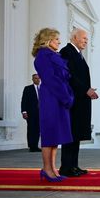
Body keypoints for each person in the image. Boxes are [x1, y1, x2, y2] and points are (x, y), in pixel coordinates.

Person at [32, 28, 74, 182]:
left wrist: (67, 95)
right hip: (51, 97)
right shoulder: (43, 56)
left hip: (58, 96)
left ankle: (53, 169)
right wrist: (66, 97)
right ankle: (46, 169)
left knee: (56, 135)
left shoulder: (53, 55)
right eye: (56, 39)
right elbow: (51, 79)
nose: (59, 42)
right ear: (47, 40)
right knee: (49, 134)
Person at [59, 28, 99, 177]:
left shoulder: (78, 54)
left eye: (87, 39)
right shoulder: (66, 52)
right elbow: (69, 76)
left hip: (80, 100)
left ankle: (73, 166)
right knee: (70, 134)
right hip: (73, 101)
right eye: (83, 38)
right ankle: (66, 167)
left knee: (76, 135)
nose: (86, 41)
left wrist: (87, 90)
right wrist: (85, 90)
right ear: (74, 38)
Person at [21, 74, 41, 152]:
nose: (37, 80)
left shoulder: (43, 89)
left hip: (40, 113)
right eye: (35, 78)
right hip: (31, 112)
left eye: (39, 78)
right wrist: (24, 111)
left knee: (38, 129)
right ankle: (31, 146)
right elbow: (24, 100)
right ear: (32, 79)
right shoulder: (28, 88)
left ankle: (35, 145)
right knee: (31, 129)